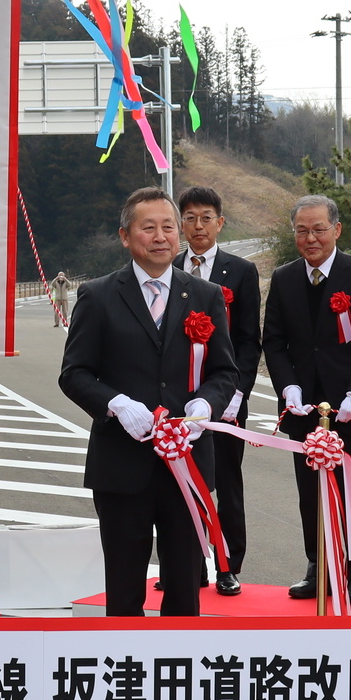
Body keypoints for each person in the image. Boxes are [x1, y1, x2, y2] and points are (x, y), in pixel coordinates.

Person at [59, 188, 237, 617]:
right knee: (123, 589)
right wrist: (116, 403)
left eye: (168, 227)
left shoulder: (206, 295)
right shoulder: (99, 295)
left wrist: (204, 407)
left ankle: (181, 675)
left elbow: (225, 372)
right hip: (122, 465)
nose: (161, 236)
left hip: (188, 463)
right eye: (148, 227)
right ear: (125, 236)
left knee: (185, 587)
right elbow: (74, 373)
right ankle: (127, 675)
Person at [262, 195, 351, 605]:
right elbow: (274, 342)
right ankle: (318, 564)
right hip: (305, 409)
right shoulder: (283, 278)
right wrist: (288, 387)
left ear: (336, 230)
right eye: (301, 230)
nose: (310, 238)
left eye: (318, 229)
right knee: (310, 489)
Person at [157, 185, 260, 598]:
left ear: (220, 223)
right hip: (178, 401)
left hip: (224, 397)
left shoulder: (240, 271)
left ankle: (227, 565)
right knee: (176, 484)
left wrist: (236, 392)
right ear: (181, 224)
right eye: (190, 218)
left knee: (225, 483)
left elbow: (250, 340)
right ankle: (183, 566)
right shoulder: (166, 266)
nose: (198, 226)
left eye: (206, 218)